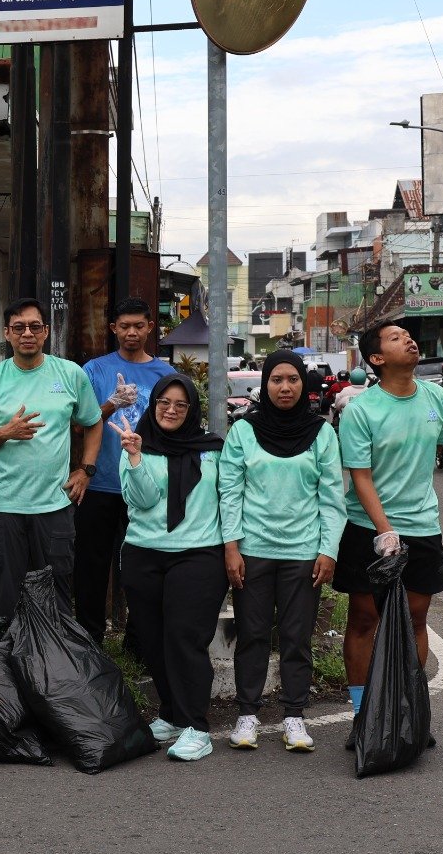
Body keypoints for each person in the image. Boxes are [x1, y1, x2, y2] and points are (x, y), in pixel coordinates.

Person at [218, 350, 347, 754]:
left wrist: (328, 550)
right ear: (265, 385)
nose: (285, 387)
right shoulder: (243, 432)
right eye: (277, 380)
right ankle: (248, 714)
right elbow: (230, 492)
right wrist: (231, 546)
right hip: (253, 550)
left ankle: (294, 715)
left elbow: (331, 498)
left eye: (292, 379)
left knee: (296, 637)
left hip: (303, 553)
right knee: (252, 635)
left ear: (303, 385)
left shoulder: (322, 433)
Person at [332, 320, 443, 746]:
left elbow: (434, 449)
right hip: (369, 529)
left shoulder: (435, 395)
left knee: (416, 619)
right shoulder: (361, 410)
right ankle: (364, 716)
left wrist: (407, 526)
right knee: (365, 619)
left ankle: (410, 713)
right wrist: (385, 530)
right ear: (377, 359)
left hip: (422, 529)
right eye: (396, 337)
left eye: (409, 335)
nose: (410, 340)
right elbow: (359, 476)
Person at [108, 375, 227, 763]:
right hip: (144, 554)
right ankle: (173, 716)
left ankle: (197, 726)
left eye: (180, 404)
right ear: (153, 405)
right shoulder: (135, 443)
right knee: (154, 640)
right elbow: (142, 501)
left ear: (192, 409)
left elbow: (231, 499)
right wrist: (136, 458)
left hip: (198, 554)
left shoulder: (213, 449)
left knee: (184, 638)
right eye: (163, 402)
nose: (171, 410)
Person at [0, 298, 102, 633]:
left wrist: (85, 470)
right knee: (5, 594)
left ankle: (58, 666)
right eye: (19, 327)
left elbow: (93, 422)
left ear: (45, 332)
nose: (27, 333)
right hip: (4, 504)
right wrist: (6, 432)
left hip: (54, 503)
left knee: (57, 590)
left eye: (35, 326)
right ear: (7, 334)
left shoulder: (69, 374)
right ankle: (6, 665)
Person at [77, 297, 175, 644]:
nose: (131, 332)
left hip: (147, 485)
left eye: (139, 326)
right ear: (113, 329)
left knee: (144, 565)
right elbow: (78, 424)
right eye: (124, 326)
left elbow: (176, 428)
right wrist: (111, 404)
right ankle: (89, 639)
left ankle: (139, 639)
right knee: (92, 565)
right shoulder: (94, 370)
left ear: (151, 327)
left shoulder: (167, 375)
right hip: (101, 482)